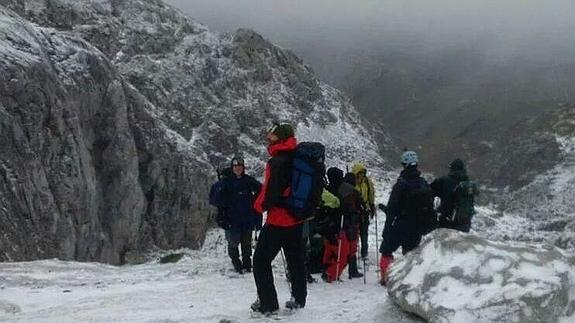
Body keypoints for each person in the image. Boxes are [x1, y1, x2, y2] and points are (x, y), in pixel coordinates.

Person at [251, 123, 307, 314]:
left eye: (272, 136)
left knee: (260, 262)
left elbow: (268, 195)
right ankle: (299, 299)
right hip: (297, 220)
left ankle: (268, 304)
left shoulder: (275, 162)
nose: (268, 138)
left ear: (280, 138)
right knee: (296, 260)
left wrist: (257, 206)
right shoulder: (299, 158)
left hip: (278, 221)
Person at [379, 151, 437, 285]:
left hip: (402, 224)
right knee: (410, 253)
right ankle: (408, 279)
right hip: (418, 226)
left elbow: (392, 209)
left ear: (404, 165)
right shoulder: (423, 183)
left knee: (387, 250)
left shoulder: (401, 184)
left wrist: (386, 230)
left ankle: (386, 278)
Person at [209, 157, 262, 274]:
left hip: (246, 219)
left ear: (243, 168)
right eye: (236, 167)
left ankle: (247, 264)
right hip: (232, 219)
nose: (238, 169)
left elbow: (261, 190)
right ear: (232, 168)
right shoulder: (225, 183)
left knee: (246, 243)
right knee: (233, 242)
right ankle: (236, 263)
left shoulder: (248, 180)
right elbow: (214, 198)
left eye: (240, 166)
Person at [322, 167, 364, 282]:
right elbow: (359, 204)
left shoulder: (326, 189)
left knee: (330, 249)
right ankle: (333, 273)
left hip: (328, 224)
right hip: (346, 223)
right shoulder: (349, 190)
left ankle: (327, 269)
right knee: (346, 249)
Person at [431, 158, 479, 233]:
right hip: (465, 223)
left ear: (452, 169)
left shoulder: (444, 181)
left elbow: (430, 191)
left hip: (447, 222)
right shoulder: (468, 183)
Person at [351, 163, 376, 260]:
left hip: (365, 209)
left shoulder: (367, 182)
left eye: (362, 173)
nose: (361, 175)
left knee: (364, 232)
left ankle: (364, 252)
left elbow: (371, 193)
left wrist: (372, 205)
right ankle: (353, 252)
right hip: (354, 210)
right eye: (359, 173)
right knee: (354, 232)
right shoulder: (352, 182)